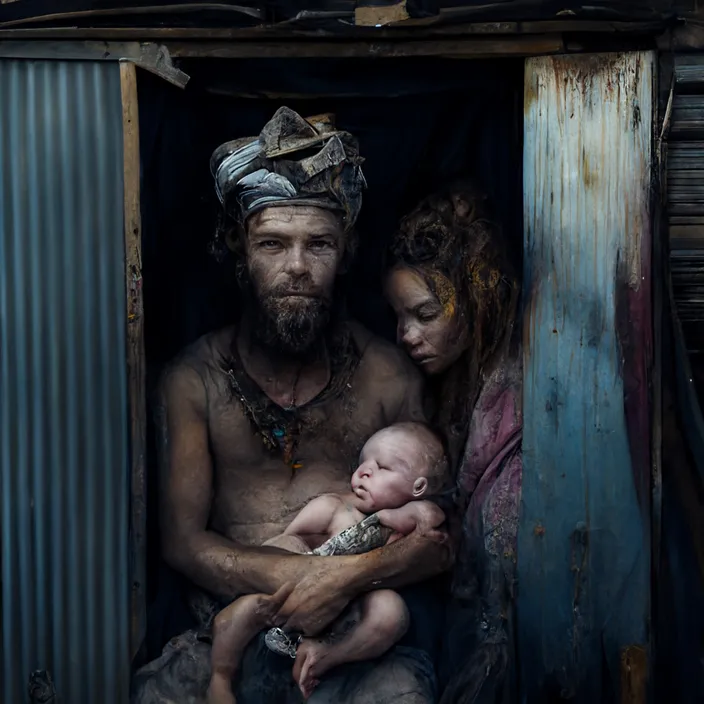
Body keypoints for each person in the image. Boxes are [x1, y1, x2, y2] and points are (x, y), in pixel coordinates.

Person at [131, 107, 452, 704]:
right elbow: (182, 541)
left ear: (347, 252)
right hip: (225, 630)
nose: (298, 267)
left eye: (319, 244)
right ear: (239, 251)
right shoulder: (193, 380)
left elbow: (432, 538)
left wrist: (348, 583)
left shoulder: (389, 375)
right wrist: (310, 579)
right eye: (273, 244)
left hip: (354, 639)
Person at [384, 180, 522, 704]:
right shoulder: (448, 387)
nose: (406, 335)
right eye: (398, 316)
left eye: (423, 314)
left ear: (476, 298)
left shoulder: (520, 394)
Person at [208, 422, 448, 704]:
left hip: (350, 609)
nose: (364, 471)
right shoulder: (336, 508)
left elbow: (430, 519)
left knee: (391, 612)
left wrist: (386, 517)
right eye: (363, 462)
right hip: (295, 593)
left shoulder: (402, 517)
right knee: (240, 614)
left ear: (418, 487)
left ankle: (327, 657)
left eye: (382, 467)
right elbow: (284, 544)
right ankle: (220, 677)